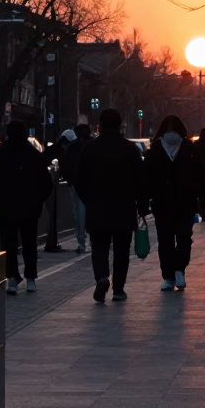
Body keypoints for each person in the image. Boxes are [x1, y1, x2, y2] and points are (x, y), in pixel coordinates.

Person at [75, 107, 147, 303]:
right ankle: (118, 289)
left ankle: (102, 277)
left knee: (99, 246)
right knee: (122, 249)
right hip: (124, 208)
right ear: (120, 125)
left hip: (97, 207)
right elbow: (141, 181)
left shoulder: (90, 148)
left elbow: (79, 179)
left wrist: (88, 199)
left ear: (100, 124)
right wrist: (142, 207)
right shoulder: (131, 149)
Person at [0, 120, 53, 295]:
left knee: (8, 243)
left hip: (5, 208)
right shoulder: (33, 155)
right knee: (29, 242)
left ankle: (12, 278)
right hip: (29, 208)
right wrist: (38, 199)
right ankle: (30, 278)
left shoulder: (0, 155)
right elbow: (46, 183)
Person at [144, 114, 205, 291]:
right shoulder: (156, 150)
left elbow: (200, 176)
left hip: (181, 202)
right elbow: (146, 178)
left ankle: (178, 270)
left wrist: (203, 200)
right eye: (169, 130)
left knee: (181, 238)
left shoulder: (188, 149)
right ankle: (170, 275)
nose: (171, 134)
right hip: (166, 203)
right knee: (169, 241)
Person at [62, 122, 93, 253]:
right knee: (88, 213)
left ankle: (81, 241)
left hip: (76, 184)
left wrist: (70, 180)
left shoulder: (72, 147)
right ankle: (91, 239)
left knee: (79, 214)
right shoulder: (93, 145)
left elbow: (66, 165)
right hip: (90, 185)